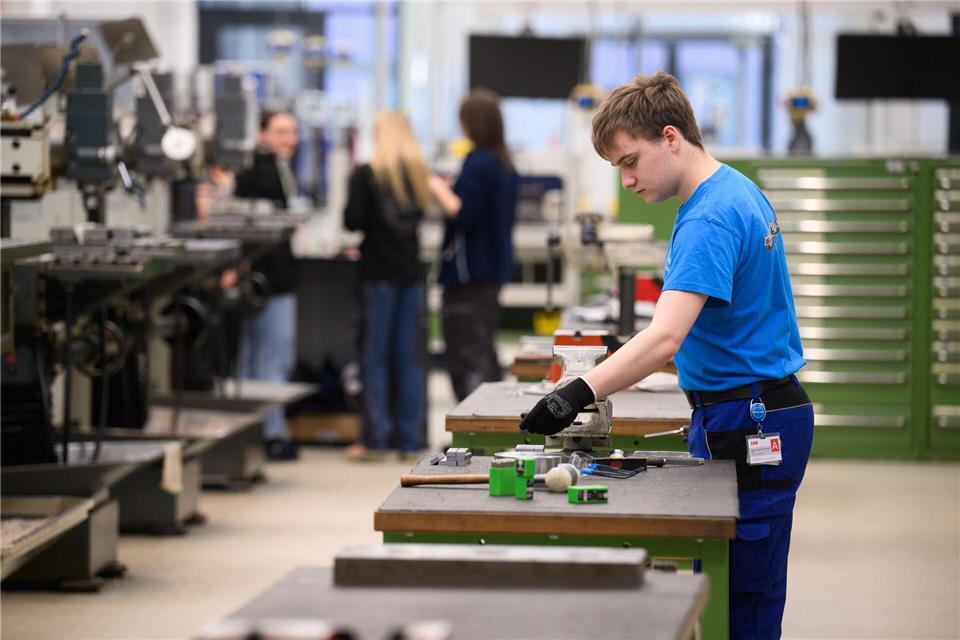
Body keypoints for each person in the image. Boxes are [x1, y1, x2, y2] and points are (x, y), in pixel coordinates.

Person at [519, 72, 814, 640]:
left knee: (738, 606)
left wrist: (574, 395)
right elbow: (717, 327)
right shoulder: (732, 188)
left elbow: (664, 339)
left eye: (631, 161)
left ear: (671, 137)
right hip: (750, 410)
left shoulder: (708, 216)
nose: (626, 179)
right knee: (734, 591)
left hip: (748, 420)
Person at [343, 111, 430, 460]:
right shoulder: (418, 176)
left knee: (375, 358)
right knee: (409, 359)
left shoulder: (366, 174)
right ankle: (409, 440)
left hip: (377, 276)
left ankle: (376, 439)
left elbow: (351, 221)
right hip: (411, 275)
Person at [429, 89, 519, 401]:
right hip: (491, 272)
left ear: (469, 124)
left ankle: (474, 428)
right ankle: (488, 423)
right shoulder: (504, 163)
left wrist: (437, 188)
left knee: (466, 354)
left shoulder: (479, 162)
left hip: (470, 275)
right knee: (483, 348)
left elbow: (463, 210)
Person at [232, 110, 301, 461]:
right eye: (280, 131)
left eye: (292, 131)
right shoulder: (262, 171)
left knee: (254, 358)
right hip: (269, 280)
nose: (288, 138)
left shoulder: (277, 168)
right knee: (272, 359)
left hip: (264, 278)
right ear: (261, 134)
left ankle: (248, 435)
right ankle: (272, 435)